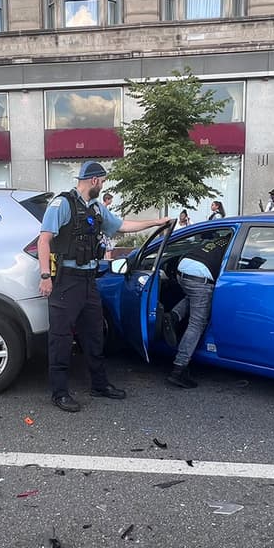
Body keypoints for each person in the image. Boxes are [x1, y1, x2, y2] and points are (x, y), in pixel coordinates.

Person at [37, 161, 170, 413]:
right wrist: (46, 275)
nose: (104, 185)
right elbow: (44, 240)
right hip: (66, 281)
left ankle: (99, 385)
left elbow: (121, 226)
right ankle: (60, 392)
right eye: (103, 181)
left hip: (89, 281)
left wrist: (156, 222)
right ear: (95, 181)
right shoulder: (62, 204)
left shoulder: (97, 208)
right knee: (61, 338)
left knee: (94, 334)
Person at [164, 229, 232, 389]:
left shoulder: (218, 241)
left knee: (195, 296)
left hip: (183, 270)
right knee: (197, 323)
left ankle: (173, 316)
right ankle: (179, 370)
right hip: (200, 277)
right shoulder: (234, 246)